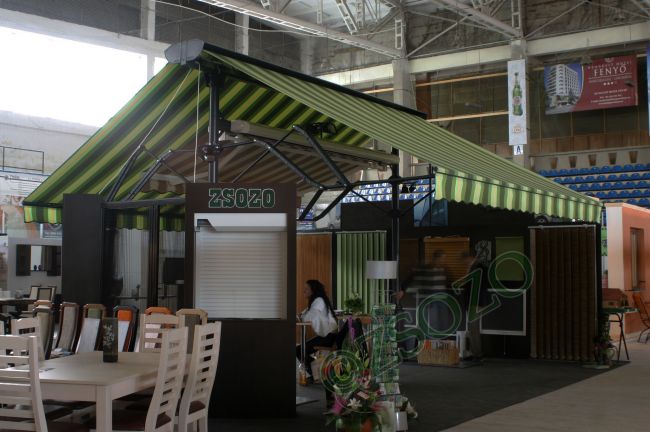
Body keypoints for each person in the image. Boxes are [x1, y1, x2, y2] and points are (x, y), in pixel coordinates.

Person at [297, 279, 338, 378]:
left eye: (306, 289)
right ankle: (318, 373)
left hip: (328, 337)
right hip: (327, 336)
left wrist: (301, 316)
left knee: (299, 350)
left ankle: (317, 374)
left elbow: (306, 317)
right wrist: (301, 316)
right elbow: (303, 314)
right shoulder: (317, 301)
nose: (304, 291)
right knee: (301, 349)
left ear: (313, 290)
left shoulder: (318, 301)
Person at [460, 249, 490, 360]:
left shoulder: (478, 267)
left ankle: (477, 353)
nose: (464, 262)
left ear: (469, 257)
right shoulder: (476, 267)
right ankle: (475, 352)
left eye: (464, 260)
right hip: (474, 302)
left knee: (473, 327)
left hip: (475, 302)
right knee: (473, 328)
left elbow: (476, 286)